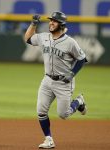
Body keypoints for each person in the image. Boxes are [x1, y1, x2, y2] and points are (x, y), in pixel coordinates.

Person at [24, 11, 88, 149]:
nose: (51, 23)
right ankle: (48, 139)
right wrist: (33, 24)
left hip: (64, 83)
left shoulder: (70, 42)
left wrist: (72, 73)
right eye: (50, 20)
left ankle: (79, 101)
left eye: (54, 21)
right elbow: (28, 39)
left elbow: (82, 59)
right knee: (41, 111)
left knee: (63, 114)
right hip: (47, 80)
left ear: (61, 24)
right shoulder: (44, 37)